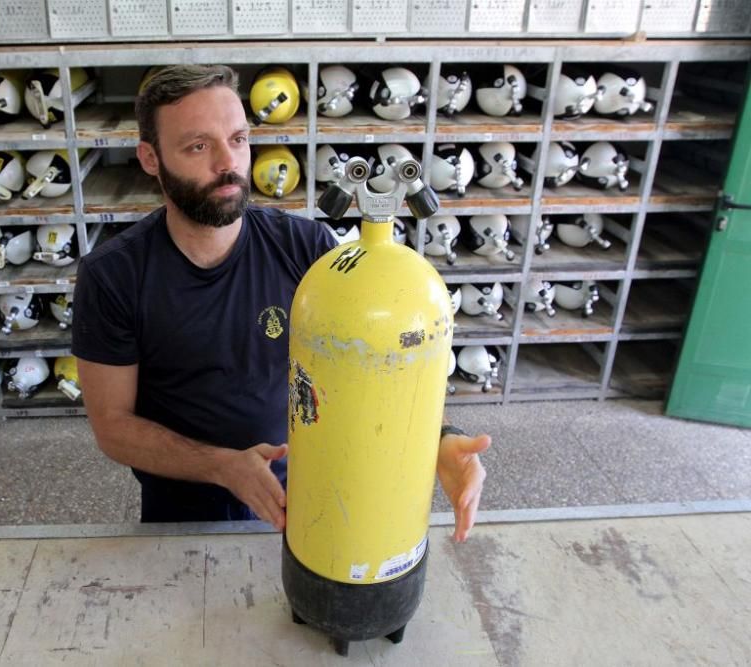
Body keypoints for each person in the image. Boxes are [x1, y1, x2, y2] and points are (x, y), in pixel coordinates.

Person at [72, 65, 490, 541]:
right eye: (198, 146)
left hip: (306, 491)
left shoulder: (307, 247)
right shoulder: (112, 276)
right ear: (150, 158)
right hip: (180, 512)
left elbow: (378, 357)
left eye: (237, 139)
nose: (227, 163)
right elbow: (113, 427)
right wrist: (223, 466)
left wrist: (437, 438)